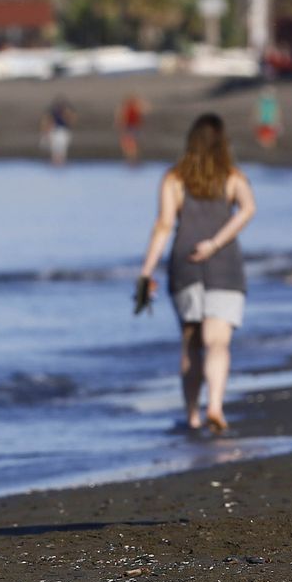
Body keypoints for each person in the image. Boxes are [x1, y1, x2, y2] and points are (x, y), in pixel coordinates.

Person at [135, 114, 257, 433]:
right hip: (225, 265)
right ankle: (215, 406)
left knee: (191, 341)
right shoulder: (232, 176)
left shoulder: (174, 179)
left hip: (185, 264)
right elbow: (248, 209)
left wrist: (146, 272)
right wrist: (216, 243)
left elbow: (163, 226)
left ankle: (192, 414)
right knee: (218, 341)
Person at [41, 96, 75, 166]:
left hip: (61, 132)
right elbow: (48, 123)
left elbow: (70, 121)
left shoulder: (65, 112)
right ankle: (58, 161)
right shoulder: (53, 112)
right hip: (58, 132)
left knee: (59, 150)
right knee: (58, 150)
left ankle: (58, 161)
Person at [116, 94, 148, 165]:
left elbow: (122, 119)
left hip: (132, 127)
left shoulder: (133, 108)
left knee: (131, 144)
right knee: (130, 144)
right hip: (130, 127)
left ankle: (133, 159)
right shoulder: (128, 108)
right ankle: (132, 159)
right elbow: (122, 119)